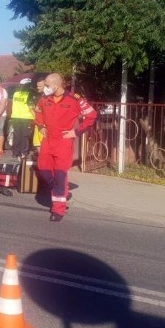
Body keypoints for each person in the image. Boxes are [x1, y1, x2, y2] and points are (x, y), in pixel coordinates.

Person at [34, 73, 97, 221]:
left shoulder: (74, 100)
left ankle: (58, 209)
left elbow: (92, 115)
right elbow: (38, 114)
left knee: (60, 176)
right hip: (48, 141)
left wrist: (76, 132)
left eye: (48, 85)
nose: (45, 88)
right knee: (43, 171)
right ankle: (61, 191)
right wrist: (40, 126)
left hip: (63, 142)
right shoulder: (44, 99)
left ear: (56, 85)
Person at [10, 77, 36, 158]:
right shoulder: (30, 94)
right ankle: (23, 152)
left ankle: (15, 152)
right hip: (26, 117)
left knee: (17, 134)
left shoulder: (16, 94)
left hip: (16, 116)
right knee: (25, 135)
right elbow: (32, 106)